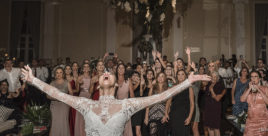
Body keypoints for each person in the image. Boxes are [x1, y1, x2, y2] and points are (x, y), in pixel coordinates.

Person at [21, 65, 211, 136]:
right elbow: (56, 93)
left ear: (115, 85)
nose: (105, 73)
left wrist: (188, 82)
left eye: (109, 73)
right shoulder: (86, 104)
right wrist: (33, 80)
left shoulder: (126, 104)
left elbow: (161, 96)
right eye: (104, 72)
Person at [241, 71, 268, 136]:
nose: (253, 78)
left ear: (259, 78)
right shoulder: (247, 89)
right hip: (251, 121)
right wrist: (249, 88)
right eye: (252, 77)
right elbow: (242, 99)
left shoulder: (265, 88)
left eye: (255, 76)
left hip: (263, 121)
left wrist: (259, 89)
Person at [48, 67, 73, 136]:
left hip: (64, 105)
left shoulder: (67, 83)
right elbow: (47, 96)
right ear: (55, 74)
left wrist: (66, 99)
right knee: (54, 123)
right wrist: (56, 98)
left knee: (63, 123)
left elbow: (71, 94)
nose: (59, 74)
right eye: (57, 72)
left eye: (60, 72)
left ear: (63, 74)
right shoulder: (52, 83)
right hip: (54, 105)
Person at [169, 70, 194, 136]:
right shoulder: (173, 87)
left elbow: (192, 104)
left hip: (184, 115)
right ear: (176, 76)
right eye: (179, 74)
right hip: (174, 115)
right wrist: (166, 113)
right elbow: (169, 102)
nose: (180, 76)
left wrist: (189, 117)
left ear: (185, 76)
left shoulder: (189, 88)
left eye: (182, 74)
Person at [203, 71, 226, 136]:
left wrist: (212, 90)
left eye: (215, 77)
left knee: (216, 127)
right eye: (212, 76)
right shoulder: (208, 85)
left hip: (215, 108)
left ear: (217, 78)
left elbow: (217, 98)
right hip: (208, 108)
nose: (213, 78)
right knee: (210, 127)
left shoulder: (219, 85)